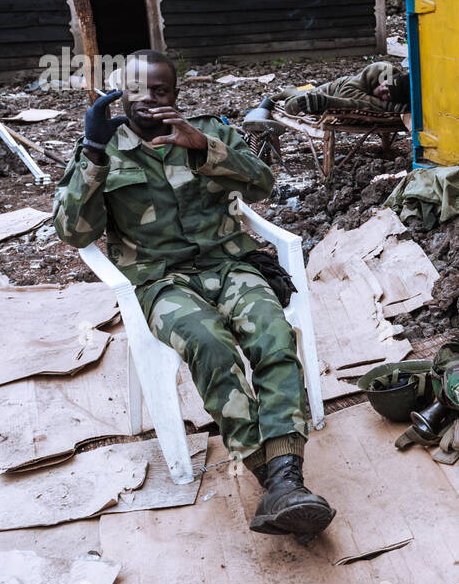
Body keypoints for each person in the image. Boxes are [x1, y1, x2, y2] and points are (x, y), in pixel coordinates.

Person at [53, 49, 335, 538]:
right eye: (136, 91)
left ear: (175, 94)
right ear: (121, 94)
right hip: (161, 280)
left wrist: (204, 145)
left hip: (230, 264)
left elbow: (263, 185)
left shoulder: (208, 131)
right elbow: (75, 234)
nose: (148, 101)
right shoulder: (104, 147)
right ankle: (275, 478)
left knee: (273, 334)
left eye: (160, 91)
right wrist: (94, 154)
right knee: (210, 346)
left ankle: (286, 474)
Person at [280, 62, 410, 116]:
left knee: (307, 94)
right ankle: (286, 92)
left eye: (387, 95)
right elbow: (346, 93)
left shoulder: (401, 97)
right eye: (386, 85)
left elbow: (357, 103)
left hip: (341, 92)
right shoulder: (383, 69)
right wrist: (384, 105)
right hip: (336, 87)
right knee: (300, 98)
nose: (382, 90)